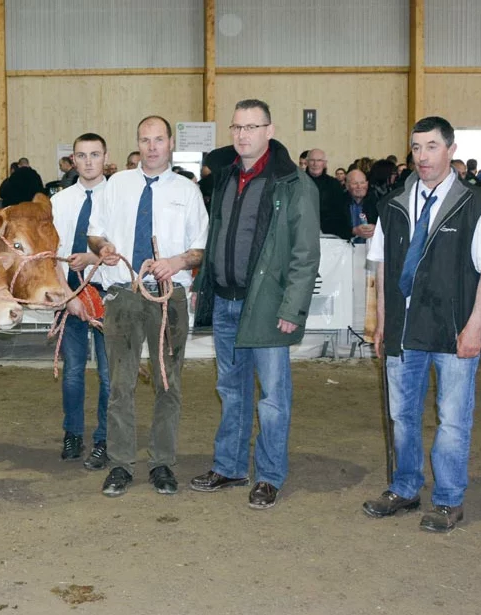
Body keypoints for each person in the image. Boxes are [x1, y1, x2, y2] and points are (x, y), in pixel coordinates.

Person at [362, 116, 481, 533]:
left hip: (454, 330)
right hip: (404, 333)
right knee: (402, 416)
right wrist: (381, 324)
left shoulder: (476, 204)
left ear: (450, 150)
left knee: (453, 418)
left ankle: (448, 500)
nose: (422, 156)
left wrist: (474, 326)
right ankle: (405, 487)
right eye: (416, 148)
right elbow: (383, 268)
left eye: (431, 147)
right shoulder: (392, 206)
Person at [189, 99, 320, 510]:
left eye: (251, 126)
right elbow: (217, 237)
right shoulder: (225, 177)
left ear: (270, 129)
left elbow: (305, 254)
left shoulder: (295, 184)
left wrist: (291, 308)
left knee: (273, 397)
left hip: (266, 306)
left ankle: (269, 475)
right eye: (237, 127)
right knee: (231, 389)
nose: (242, 135)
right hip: (226, 302)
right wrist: (204, 283)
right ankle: (229, 466)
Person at [87, 115, 208, 498]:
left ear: (170, 143)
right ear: (137, 143)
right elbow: (95, 232)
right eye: (145, 139)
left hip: (167, 297)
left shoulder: (188, 192)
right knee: (119, 385)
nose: (152, 146)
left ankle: (162, 464)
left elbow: (201, 249)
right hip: (123, 295)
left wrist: (175, 262)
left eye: (159, 139)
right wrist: (102, 249)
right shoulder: (115, 186)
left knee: (167, 384)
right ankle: (121, 464)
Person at [51, 133, 111, 469]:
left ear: (105, 157)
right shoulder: (59, 201)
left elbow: (120, 250)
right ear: (72, 160)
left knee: (108, 373)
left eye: (94, 154)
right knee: (73, 372)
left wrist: (93, 259)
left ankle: (104, 437)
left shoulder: (119, 196)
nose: (88, 161)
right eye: (81, 155)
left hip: (106, 295)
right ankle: (72, 432)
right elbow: (52, 254)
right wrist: (67, 296)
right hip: (69, 295)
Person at [306, 148, 344, 235]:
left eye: (319, 160)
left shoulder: (334, 184)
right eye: (312, 160)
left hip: (330, 232)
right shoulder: (298, 183)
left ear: (325, 163)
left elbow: (339, 210)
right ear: (307, 162)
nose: (315, 164)